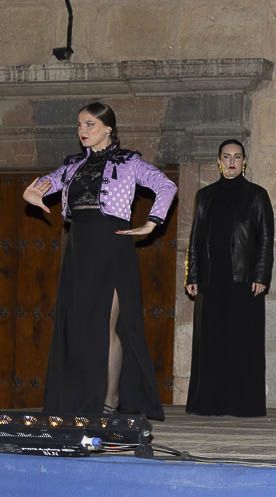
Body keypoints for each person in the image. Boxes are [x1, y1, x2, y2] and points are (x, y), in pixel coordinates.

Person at [22, 101, 177, 419]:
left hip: (112, 245)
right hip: (79, 248)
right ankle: (81, 397)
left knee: (107, 326)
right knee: (80, 327)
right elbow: (42, 185)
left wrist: (152, 222)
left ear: (108, 128)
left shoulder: (130, 162)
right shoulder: (72, 166)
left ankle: (108, 401)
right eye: (79, 125)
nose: (83, 131)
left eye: (90, 124)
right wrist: (34, 193)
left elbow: (166, 185)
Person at [184, 139, 274, 417]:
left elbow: (265, 239)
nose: (232, 161)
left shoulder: (257, 195)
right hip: (212, 279)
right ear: (219, 161)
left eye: (237, 157)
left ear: (244, 161)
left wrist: (260, 275)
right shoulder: (205, 196)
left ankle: (243, 404)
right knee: (211, 341)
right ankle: (209, 403)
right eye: (227, 156)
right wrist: (192, 274)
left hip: (244, 279)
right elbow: (195, 238)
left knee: (242, 342)